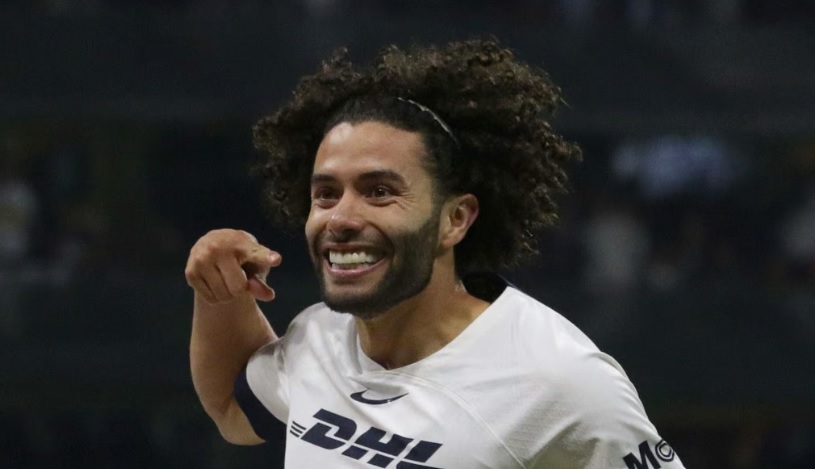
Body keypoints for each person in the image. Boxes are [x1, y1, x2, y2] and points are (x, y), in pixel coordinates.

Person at [185, 38, 685, 468]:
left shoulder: (561, 382)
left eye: (379, 192)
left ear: (455, 219)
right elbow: (232, 410)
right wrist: (217, 290)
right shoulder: (316, 338)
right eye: (326, 194)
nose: (341, 218)